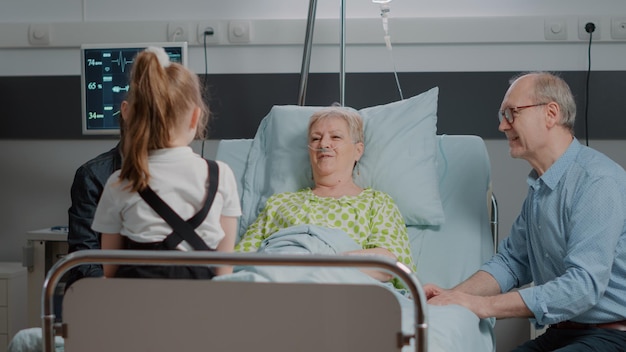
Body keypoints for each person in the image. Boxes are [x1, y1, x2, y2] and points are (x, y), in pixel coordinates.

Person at [425, 72, 626, 351]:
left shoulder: (597, 181)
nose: (502, 125)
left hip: (613, 336)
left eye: (511, 113)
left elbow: (583, 286)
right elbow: (511, 262)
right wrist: (449, 296)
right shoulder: (541, 188)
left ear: (551, 113)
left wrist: (483, 306)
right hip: (565, 332)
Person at [92, 46, 241, 279]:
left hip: (136, 307)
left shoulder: (119, 183)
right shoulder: (221, 175)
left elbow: (110, 272)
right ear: (195, 116)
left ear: (131, 116)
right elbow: (224, 271)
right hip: (201, 309)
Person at [235, 107, 416, 285]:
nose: (323, 144)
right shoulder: (279, 203)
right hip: (272, 282)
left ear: (358, 150)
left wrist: (320, 264)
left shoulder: (376, 203)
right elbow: (239, 261)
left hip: (337, 288)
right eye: (315, 138)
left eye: (335, 137)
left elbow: (388, 264)